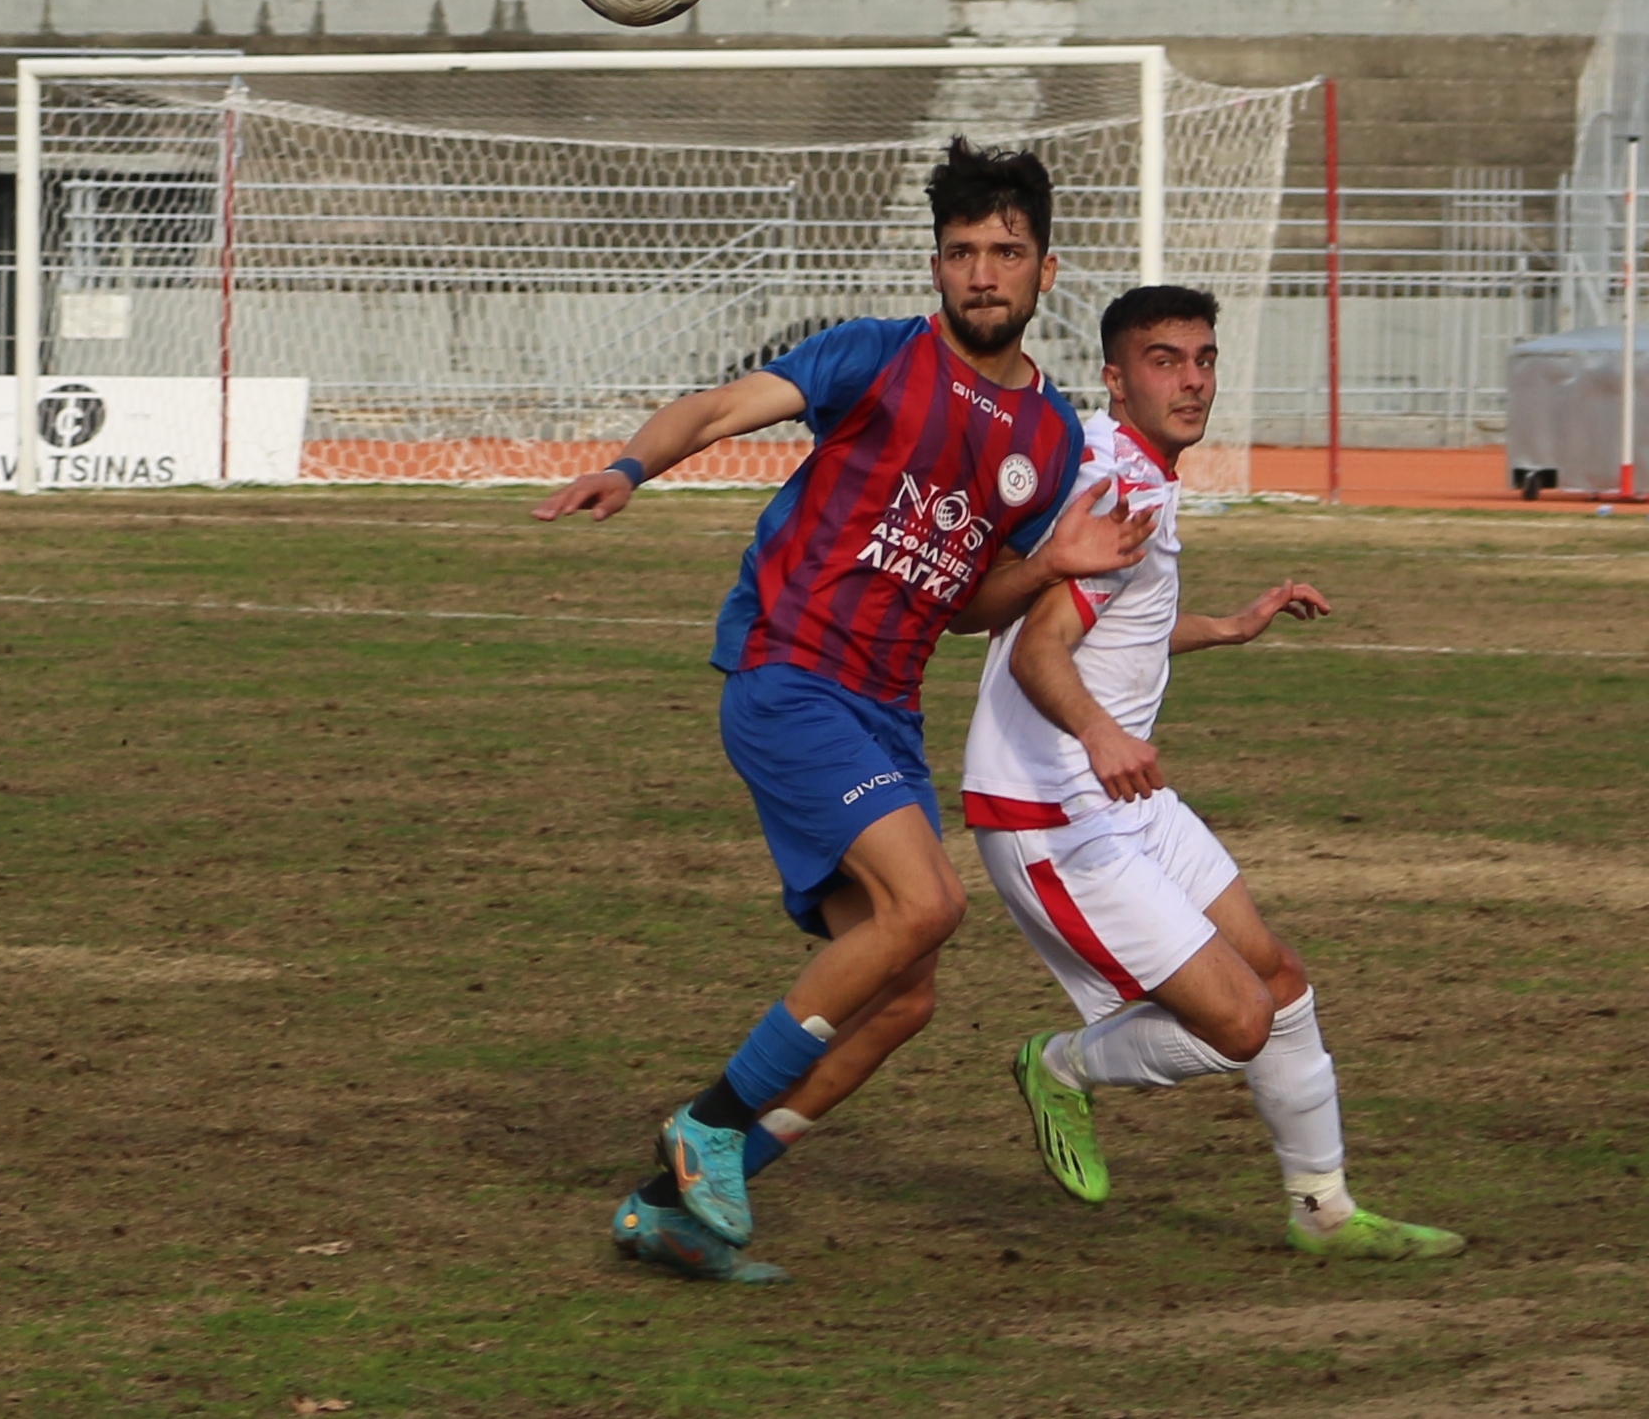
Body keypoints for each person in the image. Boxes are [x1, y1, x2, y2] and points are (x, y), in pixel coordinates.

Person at [535, 138, 1154, 1284]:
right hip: (790, 673)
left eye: (1004, 252)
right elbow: (721, 408)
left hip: (883, 713)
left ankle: (673, 1204)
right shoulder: (873, 357)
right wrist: (630, 466)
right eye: (963, 251)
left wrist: (1055, 557)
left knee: (903, 991)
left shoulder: (1053, 436)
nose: (982, 272)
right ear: (936, 265)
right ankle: (707, 1123)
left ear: (1045, 271)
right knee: (925, 905)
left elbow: (971, 607)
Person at [962, 284, 1466, 1261]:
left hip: (1116, 794)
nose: (1191, 378)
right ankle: (1059, 1064)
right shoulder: (1117, 483)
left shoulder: (1142, 468)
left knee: (1279, 980)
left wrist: (1228, 625)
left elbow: (1120, 630)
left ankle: (1324, 1212)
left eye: (1202, 357)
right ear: (1115, 377)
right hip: (1049, 808)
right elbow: (1040, 653)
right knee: (1238, 1019)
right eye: (1163, 359)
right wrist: (1106, 735)